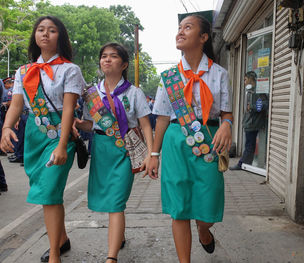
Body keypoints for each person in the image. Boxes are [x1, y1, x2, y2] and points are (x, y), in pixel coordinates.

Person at [147, 14, 233, 262]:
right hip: (176, 142)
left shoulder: (219, 74)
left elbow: (227, 112)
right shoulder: (169, 78)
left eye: (188, 27)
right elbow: (162, 118)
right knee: (179, 208)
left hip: (209, 141)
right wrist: (154, 154)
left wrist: (226, 125)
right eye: (179, 28)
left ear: (203, 37)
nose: (180, 32)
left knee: (208, 207)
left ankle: (204, 230)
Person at [0, 16, 85, 263]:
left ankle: (55, 254)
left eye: (52, 30)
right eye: (40, 30)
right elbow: (16, 105)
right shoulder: (23, 71)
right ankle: (63, 239)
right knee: (50, 193)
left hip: (59, 134)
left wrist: (61, 144)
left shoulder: (70, 69)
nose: (45, 34)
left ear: (61, 37)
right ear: (35, 36)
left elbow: (69, 109)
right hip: (34, 136)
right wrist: (6, 128)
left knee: (48, 193)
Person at [74, 43, 153, 263]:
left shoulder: (133, 92)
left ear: (124, 64)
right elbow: (92, 125)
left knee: (116, 203)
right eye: (104, 56)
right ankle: (120, 236)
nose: (107, 60)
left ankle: (111, 257)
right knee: (111, 201)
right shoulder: (91, 94)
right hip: (101, 150)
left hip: (124, 151)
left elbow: (146, 124)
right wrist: (78, 124)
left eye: (113, 56)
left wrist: (151, 154)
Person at [229, 71, 268, 170]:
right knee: (249, 144)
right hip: (249, 122)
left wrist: (252, 107)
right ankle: (247, 164)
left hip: (253, 123)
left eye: (245, 79)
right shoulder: (250, 91)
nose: (244, 82)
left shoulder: (259, 92)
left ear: (251, 79)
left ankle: (241, 164)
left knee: (249, 145)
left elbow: (265, 104)